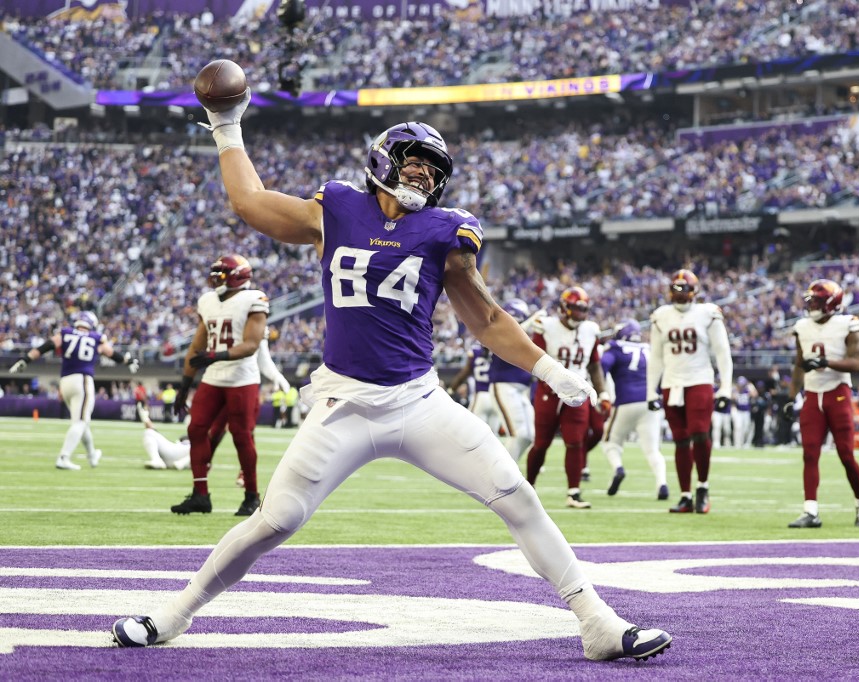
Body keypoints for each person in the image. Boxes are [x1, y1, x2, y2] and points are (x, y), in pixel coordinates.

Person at [111, 110, 670, 661]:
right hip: (344, 404)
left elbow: (488, 319)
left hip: (418, 401)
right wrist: (227, 124)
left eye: (434, 167)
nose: (425, 173)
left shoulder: (444, 229)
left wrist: (548, 369)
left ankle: (597, 622)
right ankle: (173, 615)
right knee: (276, 520)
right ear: (384, 159)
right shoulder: (337, 209)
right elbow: (249, 202)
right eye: (416, 160)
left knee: (517, 498)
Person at [171, 254, 269, 517]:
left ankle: (251, 496)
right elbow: (197, 344)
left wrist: (215, 356)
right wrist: (184, 385)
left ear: (238, 275)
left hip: (241, 377)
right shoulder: (208, 301)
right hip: (214, 376)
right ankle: (200, 494)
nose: (216, 278)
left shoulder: (254, 299)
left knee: (241, 435)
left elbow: (251, 345)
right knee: (196, 428)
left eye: (222, 273)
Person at [646, 269, 733, 515]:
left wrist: (725, 387)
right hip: (671, 383)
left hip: (699, 380)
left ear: (694, 292)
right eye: (675, 290)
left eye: (683, 290)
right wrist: (650, 391)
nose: (679, 295)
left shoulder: (707, 314)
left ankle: (702, 488)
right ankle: (685, 495)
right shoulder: (661, 316)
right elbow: (655, 357)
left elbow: (722, 353)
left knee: (699, 432)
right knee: (680, 439)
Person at [784, 279, 859, 529]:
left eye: (817, 301)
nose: (811, 305)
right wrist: (791, 397)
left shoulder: (847, 324)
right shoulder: (802, 326)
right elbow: (799, 364)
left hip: (838, 393)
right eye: (810, 300)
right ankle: (811, 511)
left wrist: (826, 363)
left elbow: (857, 363)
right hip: (812, 394)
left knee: (846, 455)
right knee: (809, 453)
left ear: (831, 303)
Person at [9, 310, 139, 470]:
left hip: (65, 382)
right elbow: (111, 353)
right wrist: (128, 361)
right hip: (82, 380)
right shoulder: (95, 338)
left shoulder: (65, 333)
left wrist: (26, 359)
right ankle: (64, 457)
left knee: (81, 422)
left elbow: (46, 346)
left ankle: (92, 455)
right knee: (81, 422)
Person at [525, 286, 610, 509]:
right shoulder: (546, 326)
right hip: (550, 391)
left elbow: (594, 365)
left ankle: (574, 492)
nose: (580, 315)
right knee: (542, 443)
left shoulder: (591, 329)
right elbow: (535, 359)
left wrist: (603, 393)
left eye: (583, 310)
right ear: (564, 308)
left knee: (575, 442)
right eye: (575, 309)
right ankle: (528, 487)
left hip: (578, 391)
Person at [599, 319, 669, 500]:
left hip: (626, 401)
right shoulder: (649, 348)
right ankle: (662, 483)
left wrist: (602, 392)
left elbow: (602, 366)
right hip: (651, 402)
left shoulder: (616, 347)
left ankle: (618, 468)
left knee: (611, 442)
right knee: (653, 449)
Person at [489, 298, 538, 461]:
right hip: (504, 386)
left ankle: (508, 471)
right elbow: (510, 336)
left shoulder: (525, 335)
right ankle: (503, 474)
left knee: (529, 436)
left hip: (522, 390)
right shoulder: (496, 332)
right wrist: (530, 322)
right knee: (518, 434)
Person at [447, 341, 501, 436]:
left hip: (481, 396)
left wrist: (451, 389)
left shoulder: (475, 353)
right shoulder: (499, 353)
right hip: (496, 397)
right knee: (494, 435)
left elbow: (463, 375)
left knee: (474, 432)